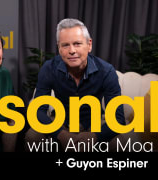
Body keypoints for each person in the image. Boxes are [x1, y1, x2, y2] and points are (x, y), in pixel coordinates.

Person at [25, 18, 125, 151]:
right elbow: (37, 111)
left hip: (94, 123)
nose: (72, 50)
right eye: (65, 45)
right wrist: (60, 133)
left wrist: (96, 136)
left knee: (119, 142)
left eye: (77, 44)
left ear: (89, 45)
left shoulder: (106, 71)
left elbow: (118, 119)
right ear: (59, 48)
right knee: (32, 136)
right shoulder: (49, 68)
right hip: (61, 122)